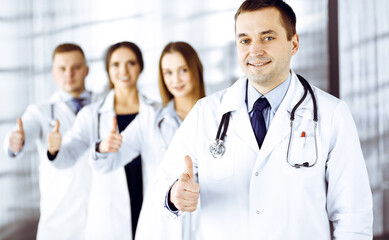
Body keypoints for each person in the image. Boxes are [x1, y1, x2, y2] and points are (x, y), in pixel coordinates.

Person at [154, 1, 373, 239]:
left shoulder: (332, 115)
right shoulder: (205, 113)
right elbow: (162, 183)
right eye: (245, 40)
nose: (255, 51)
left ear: (294, 43)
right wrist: (174, 194)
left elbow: (353, 216)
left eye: (268, 38)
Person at [91, 41, 205, 240]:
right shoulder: (150, 119)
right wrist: (103, 148)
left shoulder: (217, 118)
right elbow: (108, 164)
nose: (175, 79)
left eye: (183, 70)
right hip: (160, 227)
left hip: (204, 223)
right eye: (168, 72)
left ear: (196, 69)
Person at [46, 41, 149, 240]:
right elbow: (68, 155)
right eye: (116, 65)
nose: (123, 71)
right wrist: (55, 150)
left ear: (140, 67)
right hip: (110, 217)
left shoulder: (155, 112)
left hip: (148, 204)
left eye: (131, 63)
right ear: (107, 70)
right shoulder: (92, 115)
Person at [3, 43, 102, 240]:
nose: (69, 74)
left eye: (76, 67)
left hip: (100, 214)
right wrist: (16, 141)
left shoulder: (104, 105)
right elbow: (25, 132)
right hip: (59, 220)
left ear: (87, 70)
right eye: (62, 69)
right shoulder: (40, 111)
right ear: (53, 73)